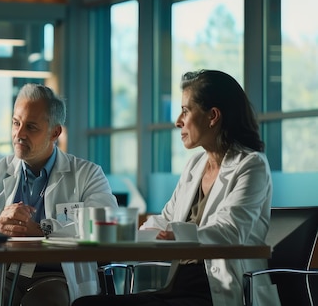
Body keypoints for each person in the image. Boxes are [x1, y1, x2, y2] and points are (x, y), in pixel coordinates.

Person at [73, 70, 280, 306]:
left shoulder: (251, 165)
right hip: (178, 287)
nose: (177, 121)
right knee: (85, 303)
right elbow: (165, 219)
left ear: (213, 116)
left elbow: (230, 232)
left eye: (185, 110)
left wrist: (177, 235)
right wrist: (122, 236)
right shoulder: (195, 165)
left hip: (219, 292)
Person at [0, 83, 119, 306]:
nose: (19, 134)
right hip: (1, 274)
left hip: (56, 277)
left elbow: (105, 224)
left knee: (45, 300)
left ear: (55, 132)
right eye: (16, 123)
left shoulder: (87, 174)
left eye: (31, 127)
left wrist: (41, 230)